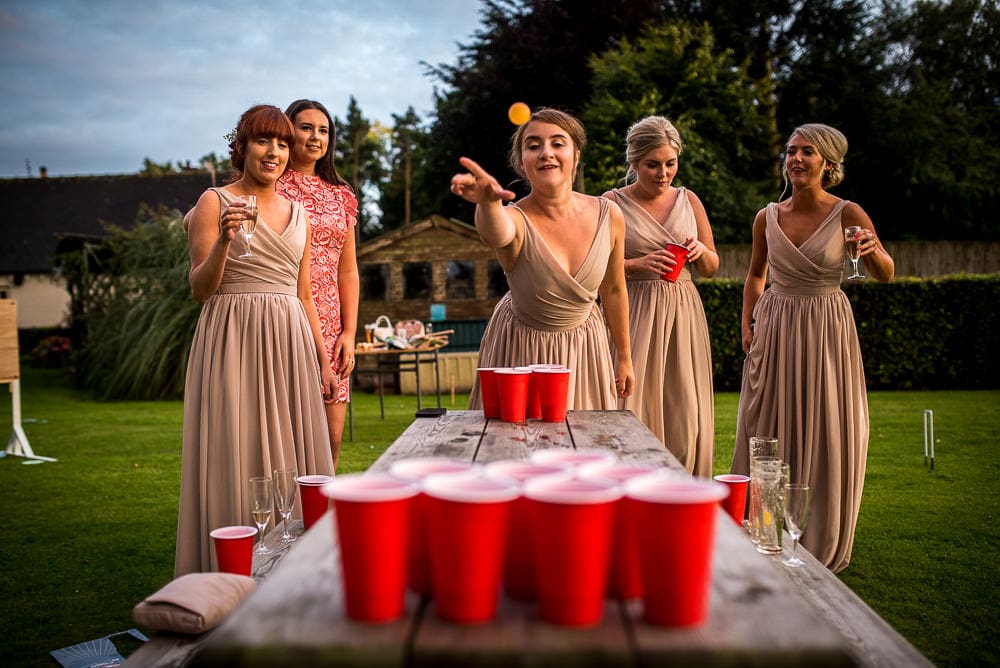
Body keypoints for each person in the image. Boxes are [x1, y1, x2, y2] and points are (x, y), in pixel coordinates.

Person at [175, 105, 336, 576]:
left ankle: (297, 575)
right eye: (264, 141)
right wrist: (224, 242)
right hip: (232, 338)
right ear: (241, 147)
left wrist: (323, 361)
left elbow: (305, 295)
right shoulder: (213, 202)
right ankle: (231, 572)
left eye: (284, 143)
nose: (275, 152)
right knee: (236, 446)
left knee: (295, 452)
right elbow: (200, 290)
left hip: (289, 340)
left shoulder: (300, 213)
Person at [731, 123, 894, 573]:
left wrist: (873, 248)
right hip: (776, 327)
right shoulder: (767, 217)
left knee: (826, 425)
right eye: (791, 151)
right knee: (764, 423)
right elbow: (755, 275)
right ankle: (763, 530)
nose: (797, 159)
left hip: (826, 328)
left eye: (807, 152)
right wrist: (748, 323)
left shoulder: (848, 212)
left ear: (828, 163)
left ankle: (817, 534)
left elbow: (885, 272)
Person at [450, 107, 634, 408]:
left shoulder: (609, 214)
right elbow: (496, 233)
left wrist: (624, 357)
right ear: (522, 163)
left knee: (584, 446)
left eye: (557, 143)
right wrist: (488, 204)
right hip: (522, 350)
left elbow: (613, 289)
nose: (546, 152)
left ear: (575, 155)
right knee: (519, 445)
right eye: (533, 146)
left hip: (585, 348)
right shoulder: (515, 218)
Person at [602, 116, 718, 476]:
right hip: (632, 311)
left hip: (683, 315)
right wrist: (637, 264)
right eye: (653, 164)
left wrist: (700, 252)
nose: (663, 173)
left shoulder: (689, 200)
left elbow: (713, 267)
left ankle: (685, 495)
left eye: (670, 163)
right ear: (634, 162)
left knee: (685, 418)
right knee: (632, 409)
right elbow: (592, 268)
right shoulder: (610, 203)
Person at [277, 99, 359, 471]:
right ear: (287, 131)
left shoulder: (341, 194)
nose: (315, 137)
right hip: (287, 313)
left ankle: (320, 519)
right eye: (306, 127)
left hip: (331, 322)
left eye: (323, 130)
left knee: (331, 436)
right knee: (289, 435)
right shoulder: (271, 188)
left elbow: (349, 269)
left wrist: (350, 331)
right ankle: (285, 522)